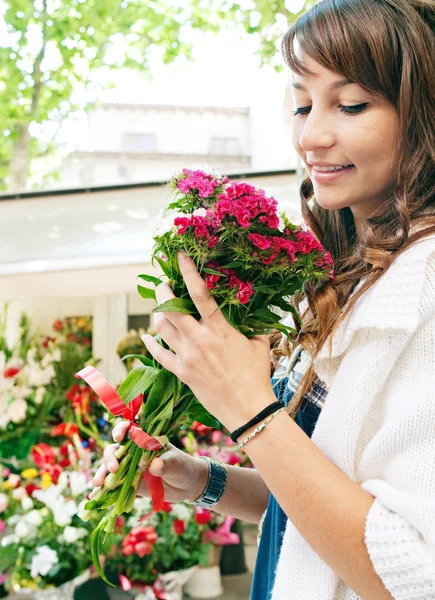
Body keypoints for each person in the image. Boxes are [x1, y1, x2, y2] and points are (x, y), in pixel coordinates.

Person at [91, 1, 435, 598]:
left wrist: (249, 409)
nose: (311, 135)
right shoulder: (354, 276)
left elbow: (410, 574)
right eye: (303, 104)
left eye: (350, 104)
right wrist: (202, 479)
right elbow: (316, 498)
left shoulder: (423, 292)